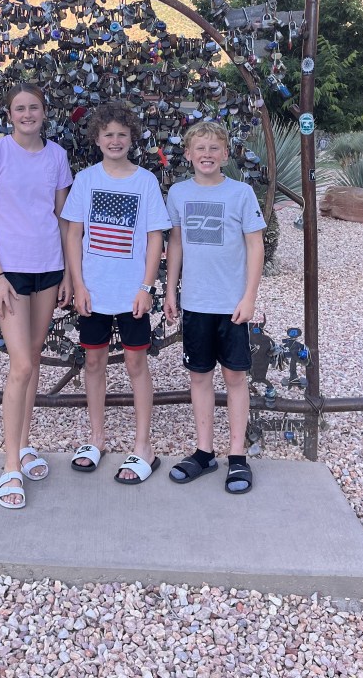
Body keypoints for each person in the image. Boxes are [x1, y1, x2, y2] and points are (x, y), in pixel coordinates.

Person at [0, 83, 73, 509]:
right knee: (22, 364)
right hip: (9, 271)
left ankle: (24, 443)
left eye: (34, 107)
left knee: (32, 357)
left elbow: (63, 218)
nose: (28, 114)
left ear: (44, 112)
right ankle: (10, 464)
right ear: (9, 114)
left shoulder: (57, 157)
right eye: (20, 108)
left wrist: (69, 273)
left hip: (48, 268)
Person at [61, 101, 171, 484]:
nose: (115, 140)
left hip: (131, 293)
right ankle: (97, 439)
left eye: (122, 134)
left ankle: (144, 446)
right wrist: (78, 284)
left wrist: (146, 286)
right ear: (97, 138)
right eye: (108, 134)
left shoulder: (145, 181)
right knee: (93, 364)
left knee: (136, 365)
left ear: (131, 138)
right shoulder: (86, 180)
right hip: (93, 292)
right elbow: (73, 234)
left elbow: (155, 237)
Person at [164, 121, 265, 494]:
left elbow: (255, 245)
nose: (206, 154)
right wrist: (170, 291)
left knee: (235, 377)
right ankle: (204, 452)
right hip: (196, 303)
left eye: (214, 148)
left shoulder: (241, 193)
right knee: (199, 376)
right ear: (188, 154)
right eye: (200, 148)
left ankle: (237, 456)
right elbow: (176, 242)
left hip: (232, 305)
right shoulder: (178, 193)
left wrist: (249, 297)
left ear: (225, 154)